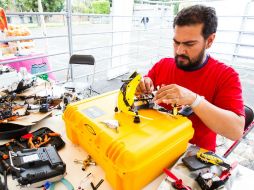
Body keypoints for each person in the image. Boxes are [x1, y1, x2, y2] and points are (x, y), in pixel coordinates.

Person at [136, 5, 245, 151]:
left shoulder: (225, 76)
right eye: (176, 42)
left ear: (210, 41)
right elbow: (141, 92)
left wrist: (195, 100)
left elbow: (236, 131)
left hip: (193, 156)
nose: (179, 51)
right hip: (156, 144)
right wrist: (141, 86)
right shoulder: (162, 65)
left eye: (189, 44)